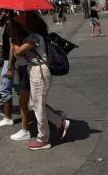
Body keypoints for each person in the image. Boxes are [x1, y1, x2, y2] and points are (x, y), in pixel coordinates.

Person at [11, 12, 70, 150]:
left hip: (40, 71)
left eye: (23, 21)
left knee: (37, 105)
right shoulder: (32, 36)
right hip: (34, 70)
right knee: (33, 104)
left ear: (29, 24)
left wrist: (14, 42)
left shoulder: (34, 37)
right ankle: (59, 121)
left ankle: (43, 139)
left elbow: (19, 51)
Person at [0, 9, 15, 128]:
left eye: (1, 12)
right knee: (23, 92)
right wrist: (1, 44)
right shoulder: (8, 24)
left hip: (9, 61)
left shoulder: (11, 25)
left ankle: (7, 118)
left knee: (5, 89)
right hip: (9, 59)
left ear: (6, 13)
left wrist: (10, 67)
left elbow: (12, 47)